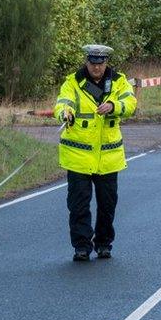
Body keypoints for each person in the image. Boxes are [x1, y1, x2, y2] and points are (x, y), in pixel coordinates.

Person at [53, 45, 138, 262]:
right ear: (86, 62)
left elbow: (130, 103)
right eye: (92, 64)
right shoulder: (73, 81)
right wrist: (65, 113)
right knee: (78, 205)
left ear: (106, 63)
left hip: (108, 158)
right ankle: (81, 247)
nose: (96, 68)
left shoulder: (119, 81)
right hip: (78, 156)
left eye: (100, 64)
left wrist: (114, 105)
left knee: (107, 205)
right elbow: (63, 102)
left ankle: (103, 244)